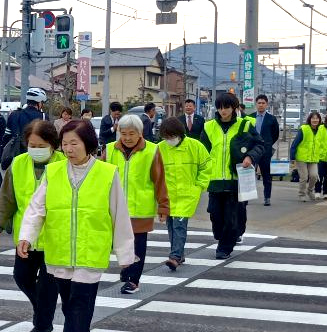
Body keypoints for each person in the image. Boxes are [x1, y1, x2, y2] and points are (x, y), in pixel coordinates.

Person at [17, 120, 135, 332]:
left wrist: (126, 255)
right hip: (59, 250)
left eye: (74, 143)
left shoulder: (107, 173)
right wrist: (26, 236)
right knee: (70, 303)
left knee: (81, 301)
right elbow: (36, 209)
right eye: (65, 144)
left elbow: (120, 215)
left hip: (90, 250)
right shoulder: (54, 172)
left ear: (88, 144)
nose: (69, 149)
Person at [0, 120, 63, 332]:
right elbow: (7, 198)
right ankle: (41, 309)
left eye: (41, 146)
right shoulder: (19, 164)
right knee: (21, 277)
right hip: (27, 237)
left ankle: (43, 324)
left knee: (48, 284)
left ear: (52, 144)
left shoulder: (64, 164)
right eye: (32, 145)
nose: (36, 150)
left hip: (55, 236)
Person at [104, 114, 169, 293]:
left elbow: (160, 180)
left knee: (138, 245)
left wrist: (163, 206)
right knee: (120, 243)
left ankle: (134, 280)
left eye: (132, 134)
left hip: (141, 208)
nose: (127, 138)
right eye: (123, 133)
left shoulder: (152, 150)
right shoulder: (110, 150)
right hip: (116, 209)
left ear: (140, 133)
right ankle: (127, 268)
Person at [201, 93, 264, 260]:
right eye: (220, 107)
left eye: (227, 107)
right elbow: (201, 152)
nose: (223, 111)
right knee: (215, 216)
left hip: (236, 179)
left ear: (234, 108)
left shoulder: (244, 125)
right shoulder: (209, 127)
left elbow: (259, 145)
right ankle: (227, 235)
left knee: (231, 216)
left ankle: (224, 248)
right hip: (214, 180)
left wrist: (250, 156)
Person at [157, 117, 211, 270]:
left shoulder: (195, 146)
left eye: (171, 136)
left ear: (179, 134)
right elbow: (155, 172)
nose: (169, 140)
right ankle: (179, 254)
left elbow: (206, 166)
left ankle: (174, 257)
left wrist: (199, 186)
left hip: (187, 195)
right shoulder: (160, 148)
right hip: (168, 196)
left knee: (179, 225)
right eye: (166, 137)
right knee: (171, 226)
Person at [1, 87, 48, 168]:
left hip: (17, 156)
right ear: (39, 102)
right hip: (37, 156)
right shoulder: (43, 117)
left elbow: (7, 136)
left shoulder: (14, 115)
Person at [248, 94, 280, 206]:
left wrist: (268, 143)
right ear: (256, 104)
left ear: (266, 104)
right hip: (251, 150)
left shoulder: (271, 119)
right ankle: (246, 197)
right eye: (259, 103)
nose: (261, 105)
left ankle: (267, 197)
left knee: (266, 175)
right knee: (248, 173)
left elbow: (275, 134)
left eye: (263, 103)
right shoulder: (250, 118)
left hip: (265, 151)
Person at [290, 111, 322, 203]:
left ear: (319, 120)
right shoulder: (304, 129)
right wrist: (292, 157)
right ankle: (302, 194)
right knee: (304, 177)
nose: (315, 120)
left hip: (313, 158)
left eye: (317, 118)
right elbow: (295, 143)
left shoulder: (320, 130)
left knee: (314, 176)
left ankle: (310, 190)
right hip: (302, 157)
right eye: (313, 118)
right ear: (309, 119)